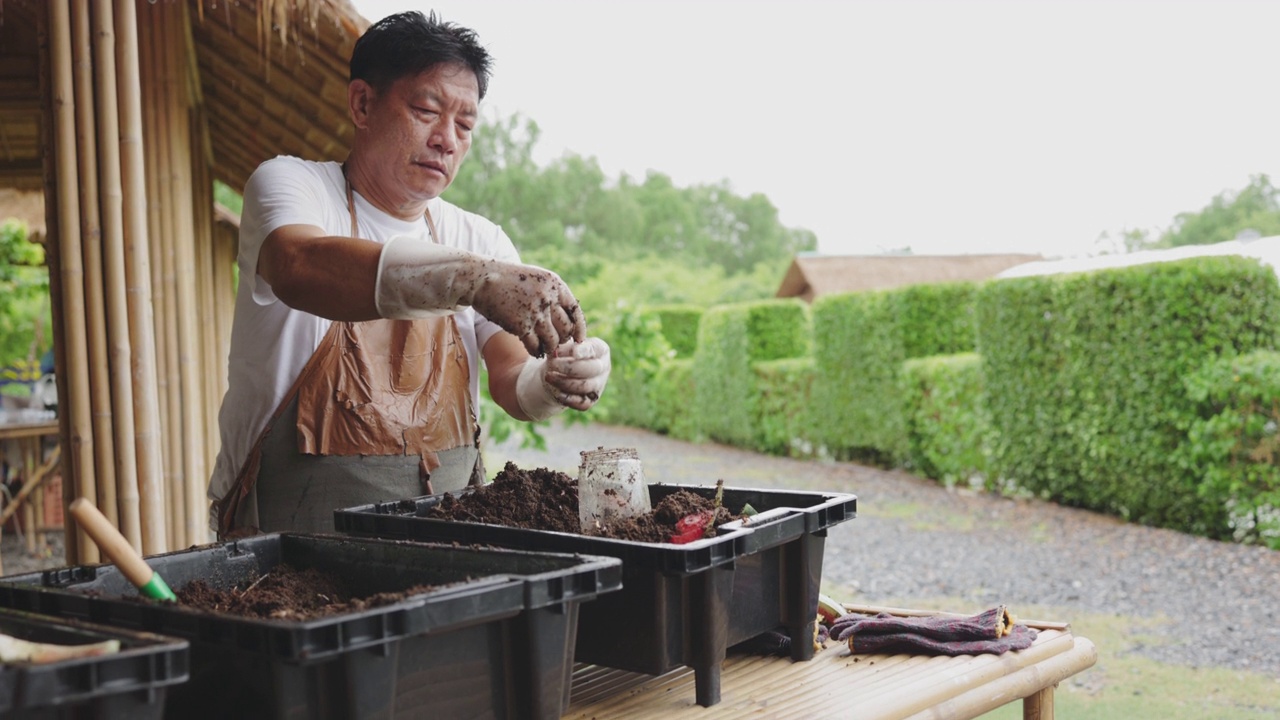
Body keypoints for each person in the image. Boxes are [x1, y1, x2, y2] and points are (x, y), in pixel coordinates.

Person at [207, 11, 610, 538]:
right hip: (292, 551)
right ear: (362, 104)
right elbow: (299, 266)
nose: (447, 139)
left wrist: (557, 381)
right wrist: (474, 282)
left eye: (465, 125)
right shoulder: (292, 186)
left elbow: (513, 381)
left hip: (447, 546)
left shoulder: (479, 238)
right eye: (426, 110)